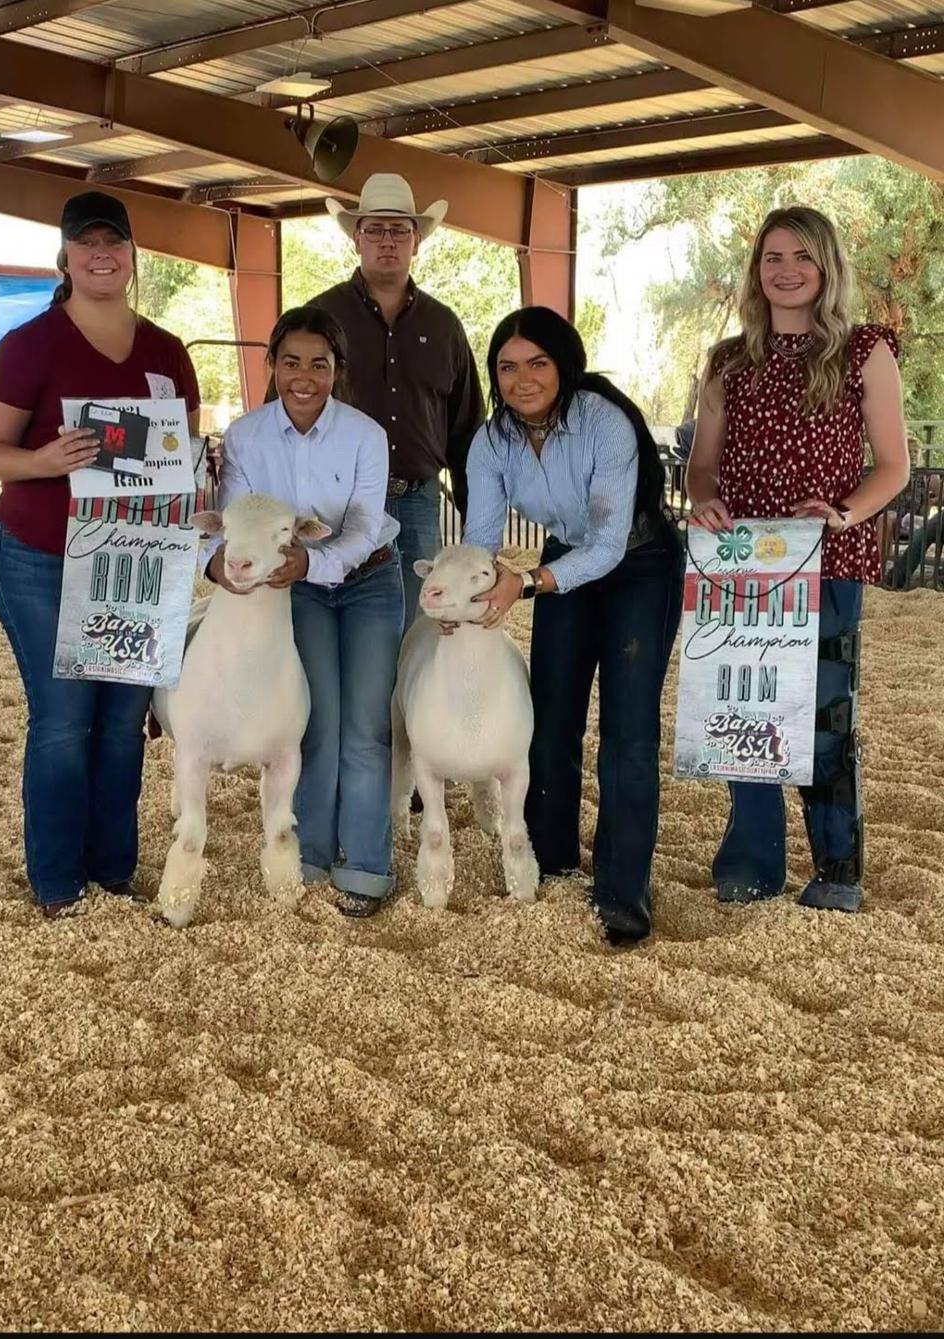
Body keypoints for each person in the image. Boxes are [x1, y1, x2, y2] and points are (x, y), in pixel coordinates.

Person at [0, 190, 201, 919]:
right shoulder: (29, 345)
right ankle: (58, 881)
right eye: (87, 242)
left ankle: (113, 870)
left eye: (115, 242)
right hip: (41, 554)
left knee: (123, 723)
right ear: (65, 257)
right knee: (64, 719)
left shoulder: (168, 352)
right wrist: (44, 461)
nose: (102, 254)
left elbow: (183, 454)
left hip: (134, 562)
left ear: (134, 255)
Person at [687, 204, 910, 914]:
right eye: (772, 257)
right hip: (743, 562)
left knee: (824, 717)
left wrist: (843, 512)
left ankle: (837, 869)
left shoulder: (863, 350)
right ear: (757, 270)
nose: (786, 271)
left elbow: (895, 465)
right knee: (742, 706)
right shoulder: (728, 359)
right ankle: (751, 864)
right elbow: (702, 466)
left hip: (829, 558)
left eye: (801, 257)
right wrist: (704, 501)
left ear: (826, 266)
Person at [461, 306, 684, 946]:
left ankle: (622, 892)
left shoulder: (603, 423)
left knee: (629, 729)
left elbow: (610, 545)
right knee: (550, 713)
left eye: (538, 363)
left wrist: (526, 582)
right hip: (563, 559)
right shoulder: (492, 440)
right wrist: (470, 592)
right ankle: (551, 860)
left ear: (564, 365)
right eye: (506, 367)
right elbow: (480, 537)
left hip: (638, 562)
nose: (522, 379)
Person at [203, 306, 404, 919]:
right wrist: (223, 562)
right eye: (291, 361)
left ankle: (367, 867)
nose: (305, 376)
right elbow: (236, 521)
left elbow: (367, 524)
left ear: (336, 369)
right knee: (317, 719)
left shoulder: (366, 434)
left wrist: (314, 563)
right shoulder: (244, 436)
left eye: (320, 363)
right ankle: (310, 853)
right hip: (297, 589)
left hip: (369, 580)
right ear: (272, 365)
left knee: (367, 727)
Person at [308, 172, 484, 631]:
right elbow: (285, 412)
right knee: (341, 622)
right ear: (356, 240)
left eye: (400, 230)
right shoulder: (321, 317)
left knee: (421, 629)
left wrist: (480, 530)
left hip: (418, 503)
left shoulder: (445, 326)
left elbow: (467, 431)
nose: (388, 241)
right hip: (338, 502)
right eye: (375, 229)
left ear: (417, 242)